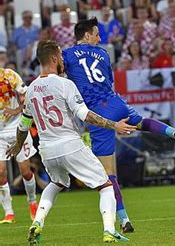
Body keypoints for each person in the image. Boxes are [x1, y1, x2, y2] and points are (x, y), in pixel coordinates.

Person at [62, 18, 175, 233]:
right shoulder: (104, 54)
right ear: (87, 35)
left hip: (97, 113)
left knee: (108, 175)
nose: (100, 38)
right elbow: (107, 80)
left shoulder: (67, 55)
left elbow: (64, 79)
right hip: (116, 102)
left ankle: (124, 220)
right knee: (141, 122)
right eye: (97, 34)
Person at [6, 40, 133, 243]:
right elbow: (86, 116)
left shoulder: (30, 89)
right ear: (55, 58)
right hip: (70, 145)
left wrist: (18, 145)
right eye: (61, 56)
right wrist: (114, 125)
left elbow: (23, 125)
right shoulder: (65, 84)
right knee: (106, 186)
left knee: (56, 183)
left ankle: (37, 222)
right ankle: (109, 230)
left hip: (47, 150)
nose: (64, 61)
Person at [0, 47, 38, 224]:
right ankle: (9, 212)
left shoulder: (10, 76)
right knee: (0, 173)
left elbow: (26, 99)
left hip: (17, 128)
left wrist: (15, 109)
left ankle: (32, 202)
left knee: (26, 172)